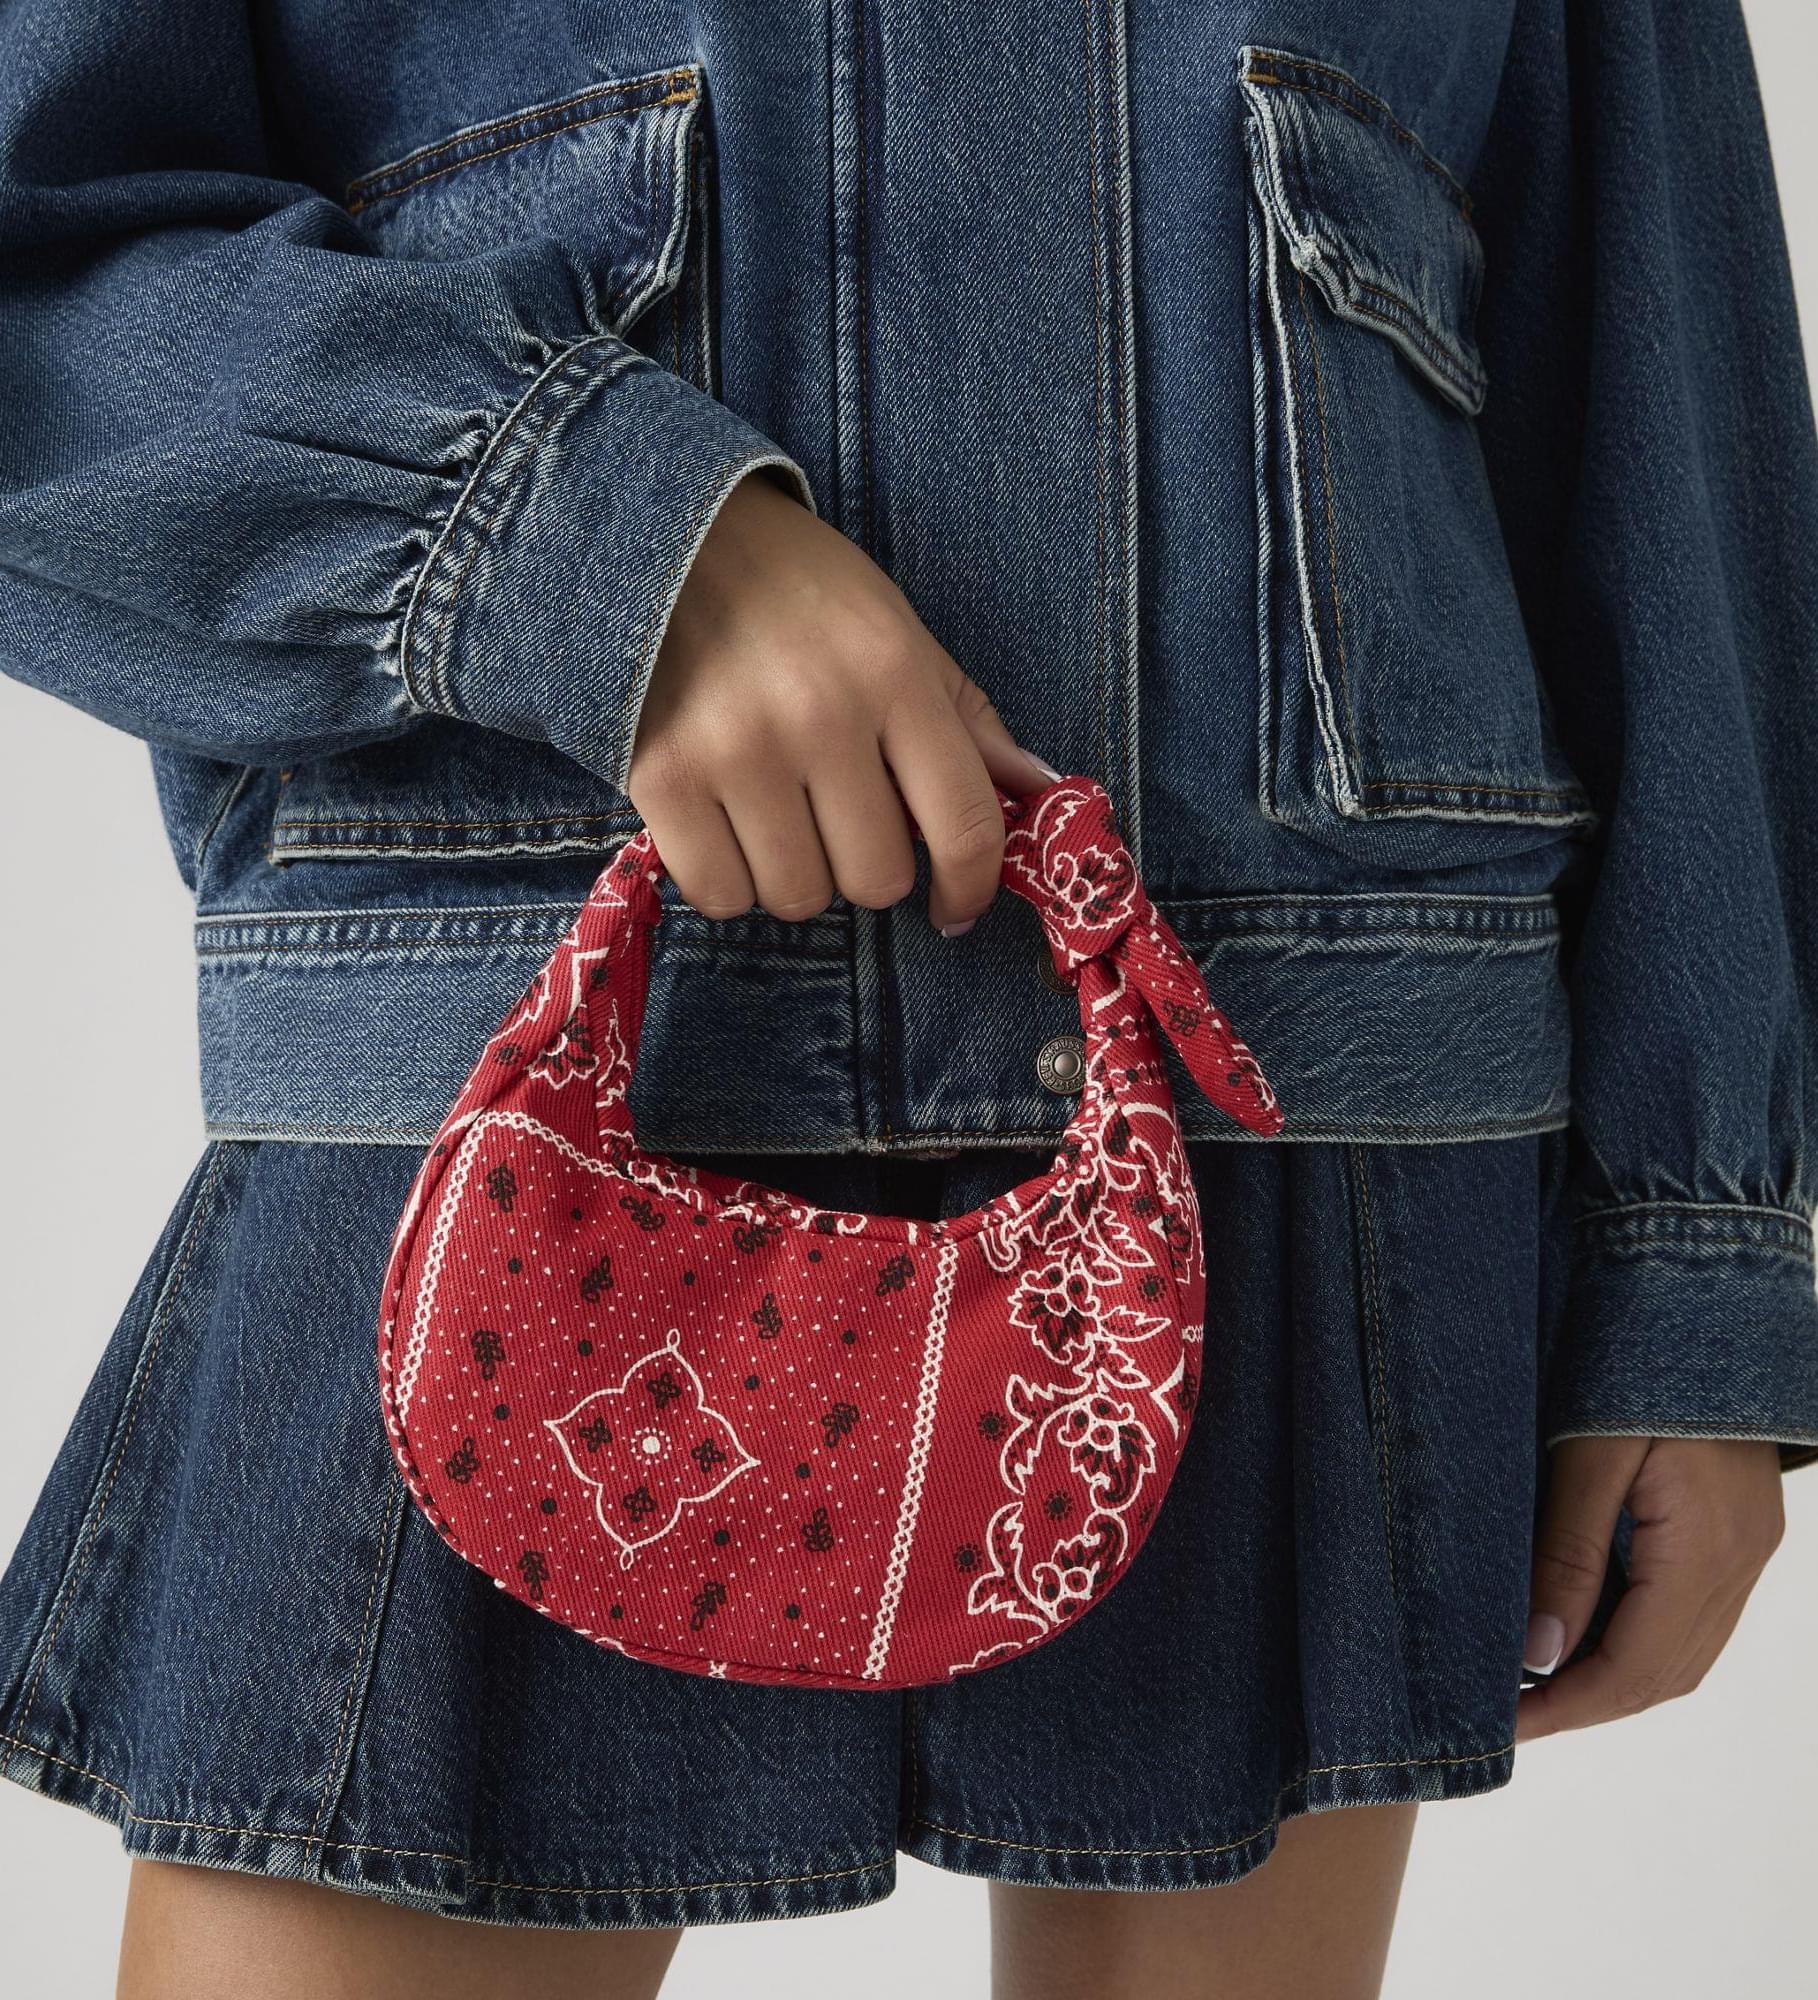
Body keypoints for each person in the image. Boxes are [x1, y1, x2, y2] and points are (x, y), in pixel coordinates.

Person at [0, 3, 1814, 1996]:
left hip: (1302, 1106)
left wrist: (1697, 1255)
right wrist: (577, 532)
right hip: (495, 1106)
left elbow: (1655, 363)